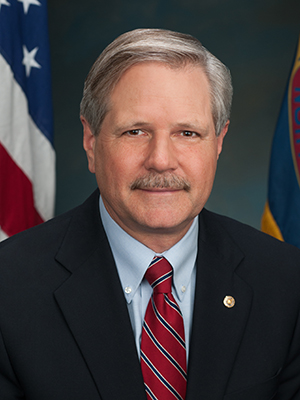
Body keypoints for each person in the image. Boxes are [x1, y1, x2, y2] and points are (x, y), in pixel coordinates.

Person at [0, 28, 300, 400]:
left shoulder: (287, 283)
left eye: (187, 133)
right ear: (90, 141)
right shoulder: (8, 288)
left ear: (219, 142)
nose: (161, 160)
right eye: (135, 131)